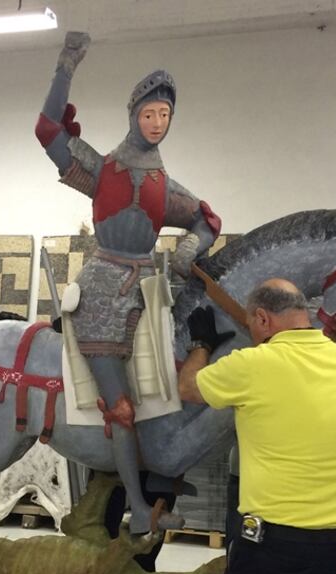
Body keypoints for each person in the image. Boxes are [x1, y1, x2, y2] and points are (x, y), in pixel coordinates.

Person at [35, 31, 222, 535]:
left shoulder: (166, 185)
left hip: (149, 292)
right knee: (119, 405)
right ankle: (137, 509)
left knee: (167, 391)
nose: (157, 122)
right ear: (133, 115)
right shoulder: (103, 169)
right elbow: (49, 131)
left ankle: (156, 482)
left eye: (164, 115)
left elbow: (206, 219)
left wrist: (187, 248)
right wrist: (67, 66)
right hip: (101, 289)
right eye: (149, 114)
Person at [177, 280, 336, 574]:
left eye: (253, 325)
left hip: (274, 546)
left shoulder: (255, 364)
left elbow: (188, 388)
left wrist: (201, 344)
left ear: (263, 318)